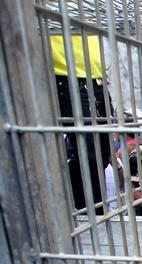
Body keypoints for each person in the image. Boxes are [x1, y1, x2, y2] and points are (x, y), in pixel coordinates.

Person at [50, 34, 114, 213]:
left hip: (97, 78)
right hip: (66, 75)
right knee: (89, 156)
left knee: (102, 154)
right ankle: (92, 218)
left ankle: (95, 214)